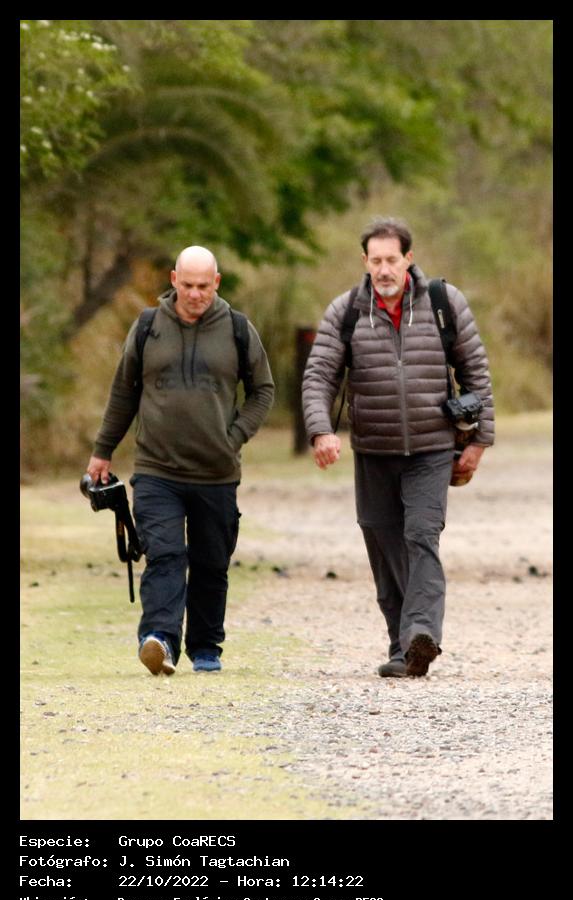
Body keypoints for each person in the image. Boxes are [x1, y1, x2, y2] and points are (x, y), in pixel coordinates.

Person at [302, 217, 494, 678]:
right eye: (376, 261)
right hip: (373, 449)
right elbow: (319, 376)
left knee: (421, 536)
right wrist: (321, 430)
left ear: (409, 258)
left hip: (431, 448)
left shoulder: (445, 303)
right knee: (383, 543)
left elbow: (476, 373)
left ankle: (421, 632)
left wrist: (479, 441)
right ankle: (401, 647)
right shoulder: (346, 311)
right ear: (364, 261)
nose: (384, 269)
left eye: (392, 259)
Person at [86, 246, 274, 675]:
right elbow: (124, 392)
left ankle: (205, 647)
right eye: (187, 285)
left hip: (217, 472)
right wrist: (102, 450)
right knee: (165, 554)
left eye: (203, 286)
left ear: (216, 283)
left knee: (211, 562)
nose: (195, 294)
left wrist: (234, 437)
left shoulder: (238, 329)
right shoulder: (148, 326)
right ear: (174, 280)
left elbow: (263, 391)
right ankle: (159, 640)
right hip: (157, 469)